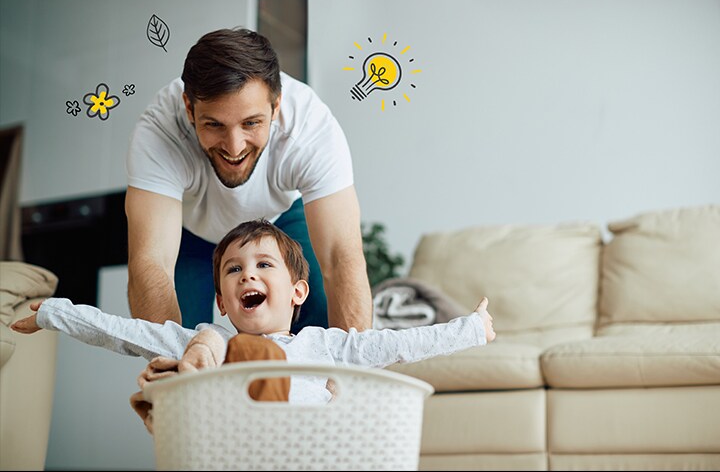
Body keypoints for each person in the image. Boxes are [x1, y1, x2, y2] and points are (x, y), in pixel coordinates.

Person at [12, 219, 496, 407]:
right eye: (234, 270)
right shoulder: (207, 341)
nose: (248, 276)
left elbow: (398, 344)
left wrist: (471, 329)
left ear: (298, 292)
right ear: (222, 301)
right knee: (223, 347)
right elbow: (125, 333)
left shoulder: (326, 345)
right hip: (235, 448)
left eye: (264, 265)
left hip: (310, 452)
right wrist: (56, 313)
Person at [125, 27, 370, 334]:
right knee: (177, 334)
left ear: (276, 106)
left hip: (280, 217)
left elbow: (341, 257)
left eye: (251, 123)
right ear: (189, 108)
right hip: (189, 230)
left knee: (316, 306)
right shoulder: (160, 131)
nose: (234, 146)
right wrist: (177, 373)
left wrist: (343, 380)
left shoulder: (311, 129)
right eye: (214, 124)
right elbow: (151, 262)